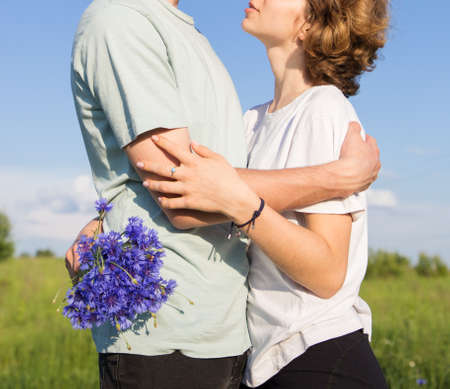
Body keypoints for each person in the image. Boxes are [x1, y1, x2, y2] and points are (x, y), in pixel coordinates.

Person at [68, 0, 380, 387]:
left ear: (312, 21)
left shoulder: (323, 109)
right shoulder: (252, 123)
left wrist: (242, 205)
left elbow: (328, 272)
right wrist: (106, 224)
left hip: (317, 353)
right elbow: (196, 187)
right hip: (266, 357)